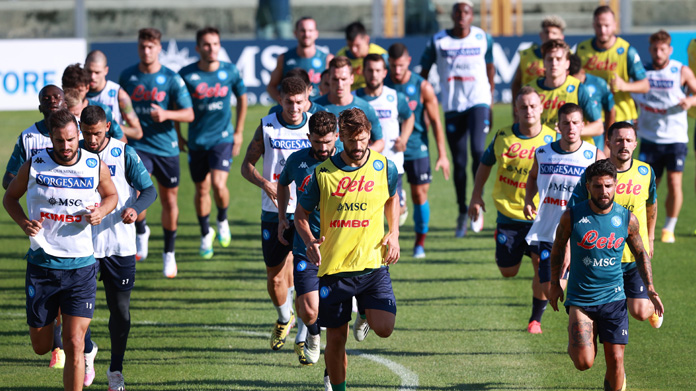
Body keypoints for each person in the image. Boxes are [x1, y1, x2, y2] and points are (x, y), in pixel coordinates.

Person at [3, 108, 118, 391]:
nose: (65, 147)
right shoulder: (35, 164)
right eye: (58, 141)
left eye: (70, 140)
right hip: (42, 267)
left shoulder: (94, 165)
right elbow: (10, 198)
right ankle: (53, 323)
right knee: (41, 347)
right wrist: (24, 223)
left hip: (80, 267)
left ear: (77, 135)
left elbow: (112, 195)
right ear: (50, 139)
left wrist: (100, 211)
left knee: (75, 344)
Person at [295, 108, 400, 391]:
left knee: (385, 328)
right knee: (337, 340)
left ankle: (364, 310)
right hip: (335, 270)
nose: (357, 147)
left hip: (373, 266)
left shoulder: (384, 167)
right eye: (351, 140)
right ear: (341, 137)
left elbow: (393, 197)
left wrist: (394, 234)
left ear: (368, 136)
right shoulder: (323, 174)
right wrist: (308, 241)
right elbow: (300, 214)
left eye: (362, 139)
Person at [547, 159, 664, 391]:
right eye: (598, 186)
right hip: (581, 300)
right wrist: (554, 284)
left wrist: (650, 288)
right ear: (588, 186)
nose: (604, 192)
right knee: (584, 362)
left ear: (615, 185)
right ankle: (582, 339)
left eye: (608, 186)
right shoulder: (572, 216)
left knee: (616, 360)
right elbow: (558, 248)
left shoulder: (627, 219)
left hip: (614, 299)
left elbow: (640, 253)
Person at [79, 105, 157, 390]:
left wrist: (135, 210)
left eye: (97, 133)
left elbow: (149, 190)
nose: (91, 140)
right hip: (82, 245)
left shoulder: (123, 153)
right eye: (86, 133)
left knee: (120, 311)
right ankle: (87, 352)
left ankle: (115, 370)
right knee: (77, 313)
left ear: (108, 126)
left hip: (118, 244)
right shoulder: (72, 154)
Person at [469, 87, 556, 334]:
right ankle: (527, 256)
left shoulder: (552, 140)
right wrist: (476, 195)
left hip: (541, 217)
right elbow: (485, 164)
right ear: (515, 110)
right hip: (508, 214)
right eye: (523, 107)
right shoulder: (503, 136)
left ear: (541, 108)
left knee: (542, 269)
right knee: (508, 271)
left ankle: (535, 320)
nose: (528, 110)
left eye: (532, 106)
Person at [241, 76, 313, 352]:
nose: (294, 108)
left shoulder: (315, 125)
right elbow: (247, 166)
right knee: (274, 277)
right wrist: (264, 182)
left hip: (308, 212)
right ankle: (285, 317)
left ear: (307, 99)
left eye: (298, 102)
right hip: (273, 212)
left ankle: (306, 333)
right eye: (288, 102)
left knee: (306, 274)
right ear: (279, 100)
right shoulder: (267, 126)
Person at [570, 122, 662, 329]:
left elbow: (651, 205)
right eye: (619, 140)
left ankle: (651, 306)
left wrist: (651, 238)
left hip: (632, 257)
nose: (624, 145)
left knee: (638, 311)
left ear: (636, 143)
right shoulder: (594, 174)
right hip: (600, 255)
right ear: (608, 142)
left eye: (629, 140)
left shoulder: (645, 172)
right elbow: (574, 210)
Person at [119, 28, 194, 276]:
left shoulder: (171, 78)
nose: (147, 51)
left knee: (169, 200)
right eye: (143, 46)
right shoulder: (128, 77)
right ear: (138, 47)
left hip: (166, 147)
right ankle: (141, 231)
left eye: (151, 46)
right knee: (139, 191)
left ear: (159, 48)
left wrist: (166, 114)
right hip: (138, 146)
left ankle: (169, 254)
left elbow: (189, 113)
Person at [419, 0, 495, 237]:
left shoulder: (482, 38)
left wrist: (490, 101)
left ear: (472, 16)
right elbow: (423, 72)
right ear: (452, 15)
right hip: (453, 106)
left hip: (478, 102)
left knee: (477, 151)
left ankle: (477, 202)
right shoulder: (439, 40)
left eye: (466, 12)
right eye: (458, 12)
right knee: (459, 163)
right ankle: (462, 210)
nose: (462, 15)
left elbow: (490, 68)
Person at [524, 103, 605, 301]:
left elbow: (607, 191)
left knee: (581, 289)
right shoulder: (543, 154)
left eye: (575, 123)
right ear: (558, 126)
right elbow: (533, 176)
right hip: (549, 228)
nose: (571, 128)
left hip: (582, 231)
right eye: (566, 123)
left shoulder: (593, 156)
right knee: (550, 289)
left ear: (583, 125)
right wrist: (528, 199)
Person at [277, 111, 339, 370]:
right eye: (316, 142)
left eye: (327, 142)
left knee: (337, 318)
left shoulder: (349, 161)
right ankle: (313, 333)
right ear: (308, 137)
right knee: (309, 310)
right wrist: (282, 216)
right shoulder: (297, 160)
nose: (323, 148)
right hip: (305, 245)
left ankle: (331, 375)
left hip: (340, 247)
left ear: (337, 136)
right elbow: (282, 184)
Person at [179, 26, 248, 259]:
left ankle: (222, 219)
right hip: (197, 141)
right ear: (198, 48)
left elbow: (242, 97)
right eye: (207, 44)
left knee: (219, 185)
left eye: (215, 44)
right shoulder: (186, 74)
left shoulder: (230, 71)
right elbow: (177, 105)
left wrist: (238, 132)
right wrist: (179, 134)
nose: (212, 48)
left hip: (222, 138)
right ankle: (205, 233)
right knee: (201, 189)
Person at [386, 43, 451, 257]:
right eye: (393, 66)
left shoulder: (422, 87)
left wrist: (442, 154)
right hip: (390, 151)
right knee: (392, 200)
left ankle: (419, 243)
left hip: (417, 149)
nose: (397, 70)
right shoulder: (382, 85)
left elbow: (436, 121)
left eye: (401, 66)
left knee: (419, 193)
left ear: (408, 62)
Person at [633, 30, 696, 243]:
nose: (658, 53)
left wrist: (690, 101)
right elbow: (633, 97)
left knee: (674, 182)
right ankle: (640, 223)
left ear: (670, 49)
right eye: (655, 49)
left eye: (663, 49)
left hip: (676, 138)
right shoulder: (642, 72)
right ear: (650, 49)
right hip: (649, 138)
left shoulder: (681, 70)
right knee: (648, 185)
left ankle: (668, 227)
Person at [355, 53, 415, 232]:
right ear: (363, 72)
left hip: (391, 162)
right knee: (368, 211)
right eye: (370, 70)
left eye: (378, 71)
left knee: (396, 208)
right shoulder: (354, 98)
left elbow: (409, 117)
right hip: (362, 164)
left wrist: (404, 138)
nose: (374, 74)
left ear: (384, 73)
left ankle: (401, 200)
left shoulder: (395, 97)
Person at [576, 6, 649, 124]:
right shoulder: (581, 49)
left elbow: (645, 85)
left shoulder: (626, 51)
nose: (603, 30)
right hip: (592, 117)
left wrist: (624, 85)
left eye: (606, 26)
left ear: (615, 25)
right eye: (599, 26)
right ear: (593, 25)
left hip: (621, 117)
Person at [528, 39, 604, 140]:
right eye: (550, 59)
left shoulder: (579, 89)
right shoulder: (531, 90)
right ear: (544, 62)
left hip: (575, 152)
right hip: (544, 151)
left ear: (567, 63)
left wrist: (571, 130)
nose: (554, 63)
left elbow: (598, 127)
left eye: (558, 59)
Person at [314, 56, 384, 152]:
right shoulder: (315, 107)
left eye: (343, 79)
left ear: (352, 78)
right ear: (328, 78)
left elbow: (379, 142)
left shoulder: (365, 107)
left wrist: (361, 155)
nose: (340, 84)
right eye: (335, 79)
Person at [4, 85, 66, 190]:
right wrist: (35, 185)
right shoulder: (27, 137)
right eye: (46, 99)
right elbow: (7, 179)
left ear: (65, 105)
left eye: (57, 97)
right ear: (40, 108)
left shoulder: (82, 131)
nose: (52, 101)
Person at [267, 17, 333, 102]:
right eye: (303, 31)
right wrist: (284, 103)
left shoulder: (327, 59)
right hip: (294, 110)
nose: (306, 34)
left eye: (310, 31)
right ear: (295, 33)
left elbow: (334, 86)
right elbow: (271, 87)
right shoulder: (284, 58)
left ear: (316, 33)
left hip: (318, 111)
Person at [84, 50, 143, 140]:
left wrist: (112, 126)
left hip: (112, 151)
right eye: (89, 71)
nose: (93, 77)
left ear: (106, 70)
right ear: (84, 68)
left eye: (97, 72)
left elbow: (137, 132)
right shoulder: (79, 93)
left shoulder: (118, 93)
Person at [61, 63, 125, 141]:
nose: (76, 95)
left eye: (79, 91)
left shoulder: (103, 110)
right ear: (63, 88)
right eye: (71, 91)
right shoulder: (57, 112)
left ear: (87, 87)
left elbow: (121, 139)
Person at [511, 15, 566, 104]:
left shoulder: (568, 57)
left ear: (561, 37)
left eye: (554, 33)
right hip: (530, 106)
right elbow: (517, 83)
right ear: (541, 35)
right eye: (547, 32)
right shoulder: (527, 55)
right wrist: (515, 108)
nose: (550, 36)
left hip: (557, 105)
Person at [569, 53, 616, 151]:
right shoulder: (563, 87)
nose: (572, 83)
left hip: (594, 143)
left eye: (575, 78)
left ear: (582, 71)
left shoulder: (599, 83)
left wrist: (608, 142)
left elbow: (610, 111)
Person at [336, 22, 388, 91]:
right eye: (350, 46)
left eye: (357, 45)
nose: (354, 50)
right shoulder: (341, 57)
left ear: (367, 39)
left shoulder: (381, 55)